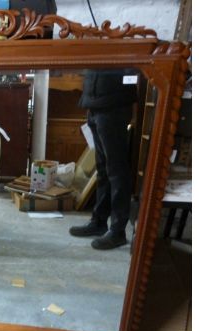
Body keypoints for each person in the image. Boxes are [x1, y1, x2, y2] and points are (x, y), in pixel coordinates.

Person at [69, 69, 138, 250]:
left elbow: (131, 69)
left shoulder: (123, 40)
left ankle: (117, 231)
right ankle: (99, 222)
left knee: (116, 170)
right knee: (102, 169)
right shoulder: (96, 39)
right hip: (94, 102)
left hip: (114, 103)